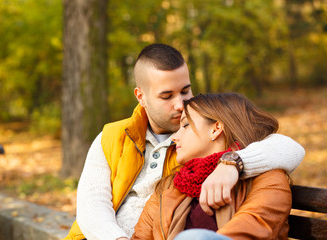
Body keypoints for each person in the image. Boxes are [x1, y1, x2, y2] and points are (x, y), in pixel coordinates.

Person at [65, 44, 304, 240]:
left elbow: (289, 148)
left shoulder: (201, 135)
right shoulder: (113, 136)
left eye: (185, 91)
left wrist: (232, 163)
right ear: (141, 96)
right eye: (167, 96)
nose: (180, 105)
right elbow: (92, 206)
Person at [132, 93, 292, 240]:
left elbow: (249, 232)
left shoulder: (267, 180)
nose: (174, 137)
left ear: (216, 129)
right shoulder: (169, 186)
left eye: (186, 125)